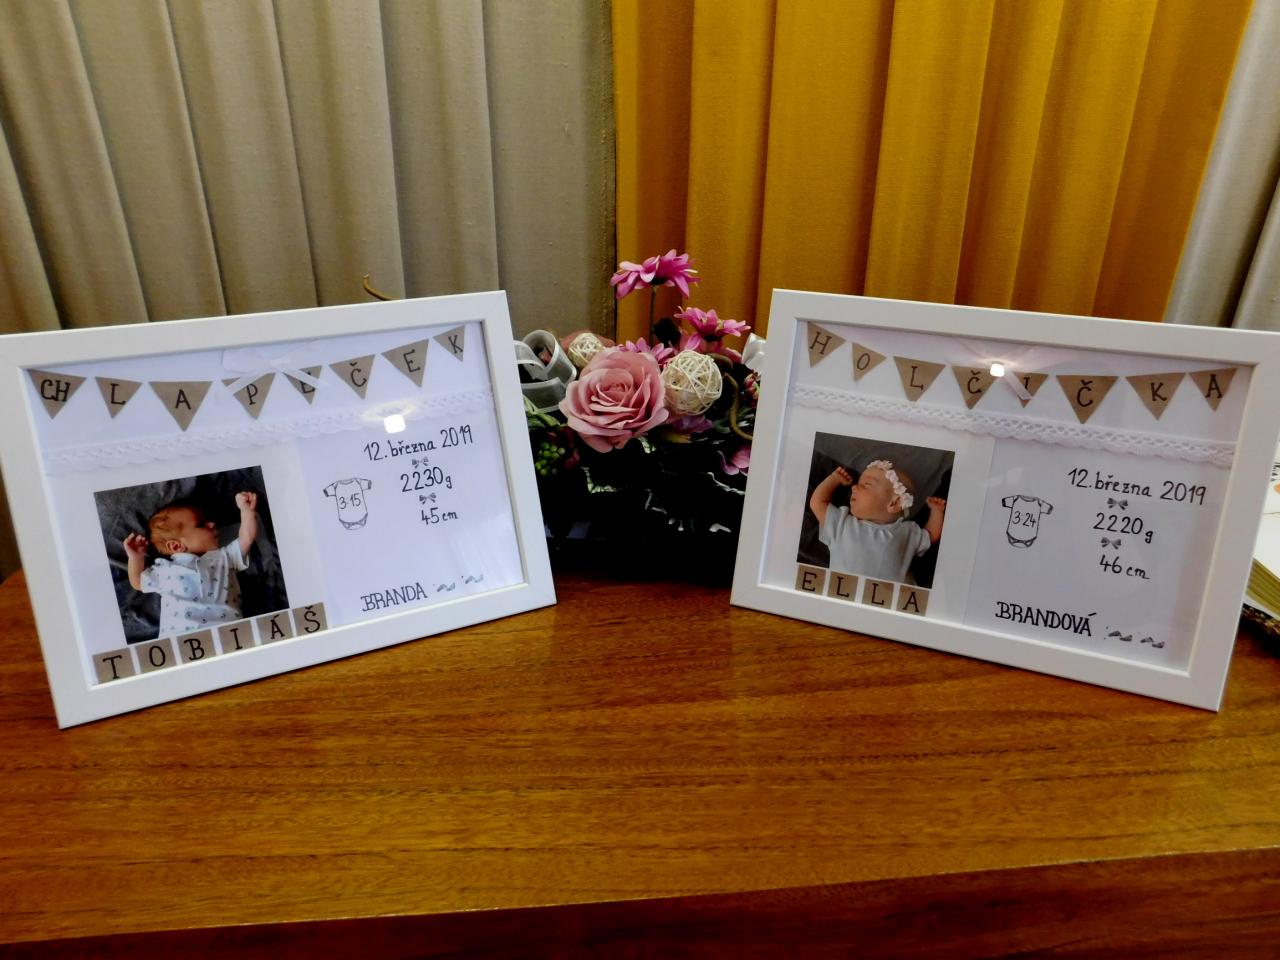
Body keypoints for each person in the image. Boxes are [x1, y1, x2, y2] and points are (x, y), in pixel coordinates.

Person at [123, 491, 258, 637]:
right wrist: (136, 558)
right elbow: (138, 582)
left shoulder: (224, 557)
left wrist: (246, 511)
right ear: (176, 546)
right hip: (181, 637)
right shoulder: (164, 569)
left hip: (230, 633)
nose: (212, 524)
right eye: (201, 524)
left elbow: (247, 538)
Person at [809, 460, 945, 583]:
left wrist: (937, 512)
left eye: (866, 484)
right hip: (845, 594)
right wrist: (833, 479)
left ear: (894, 503)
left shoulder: (907, 531)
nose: (854, 487)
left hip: (894, 599)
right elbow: (817, 503)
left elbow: (930, 534)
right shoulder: (842, 523)